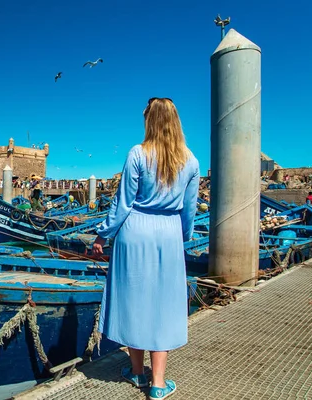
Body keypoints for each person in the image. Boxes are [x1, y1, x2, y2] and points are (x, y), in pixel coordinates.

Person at [91, 97, 199, 400]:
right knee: (162, 305)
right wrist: (184, 236)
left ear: (150, 121)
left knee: (135, 300)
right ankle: (158, 384)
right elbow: (189, 209)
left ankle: (137, 372)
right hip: (168, 234)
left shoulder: (138, 153)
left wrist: (103, 235)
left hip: (134, 232)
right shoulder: (191, 161)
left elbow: (123, 203)